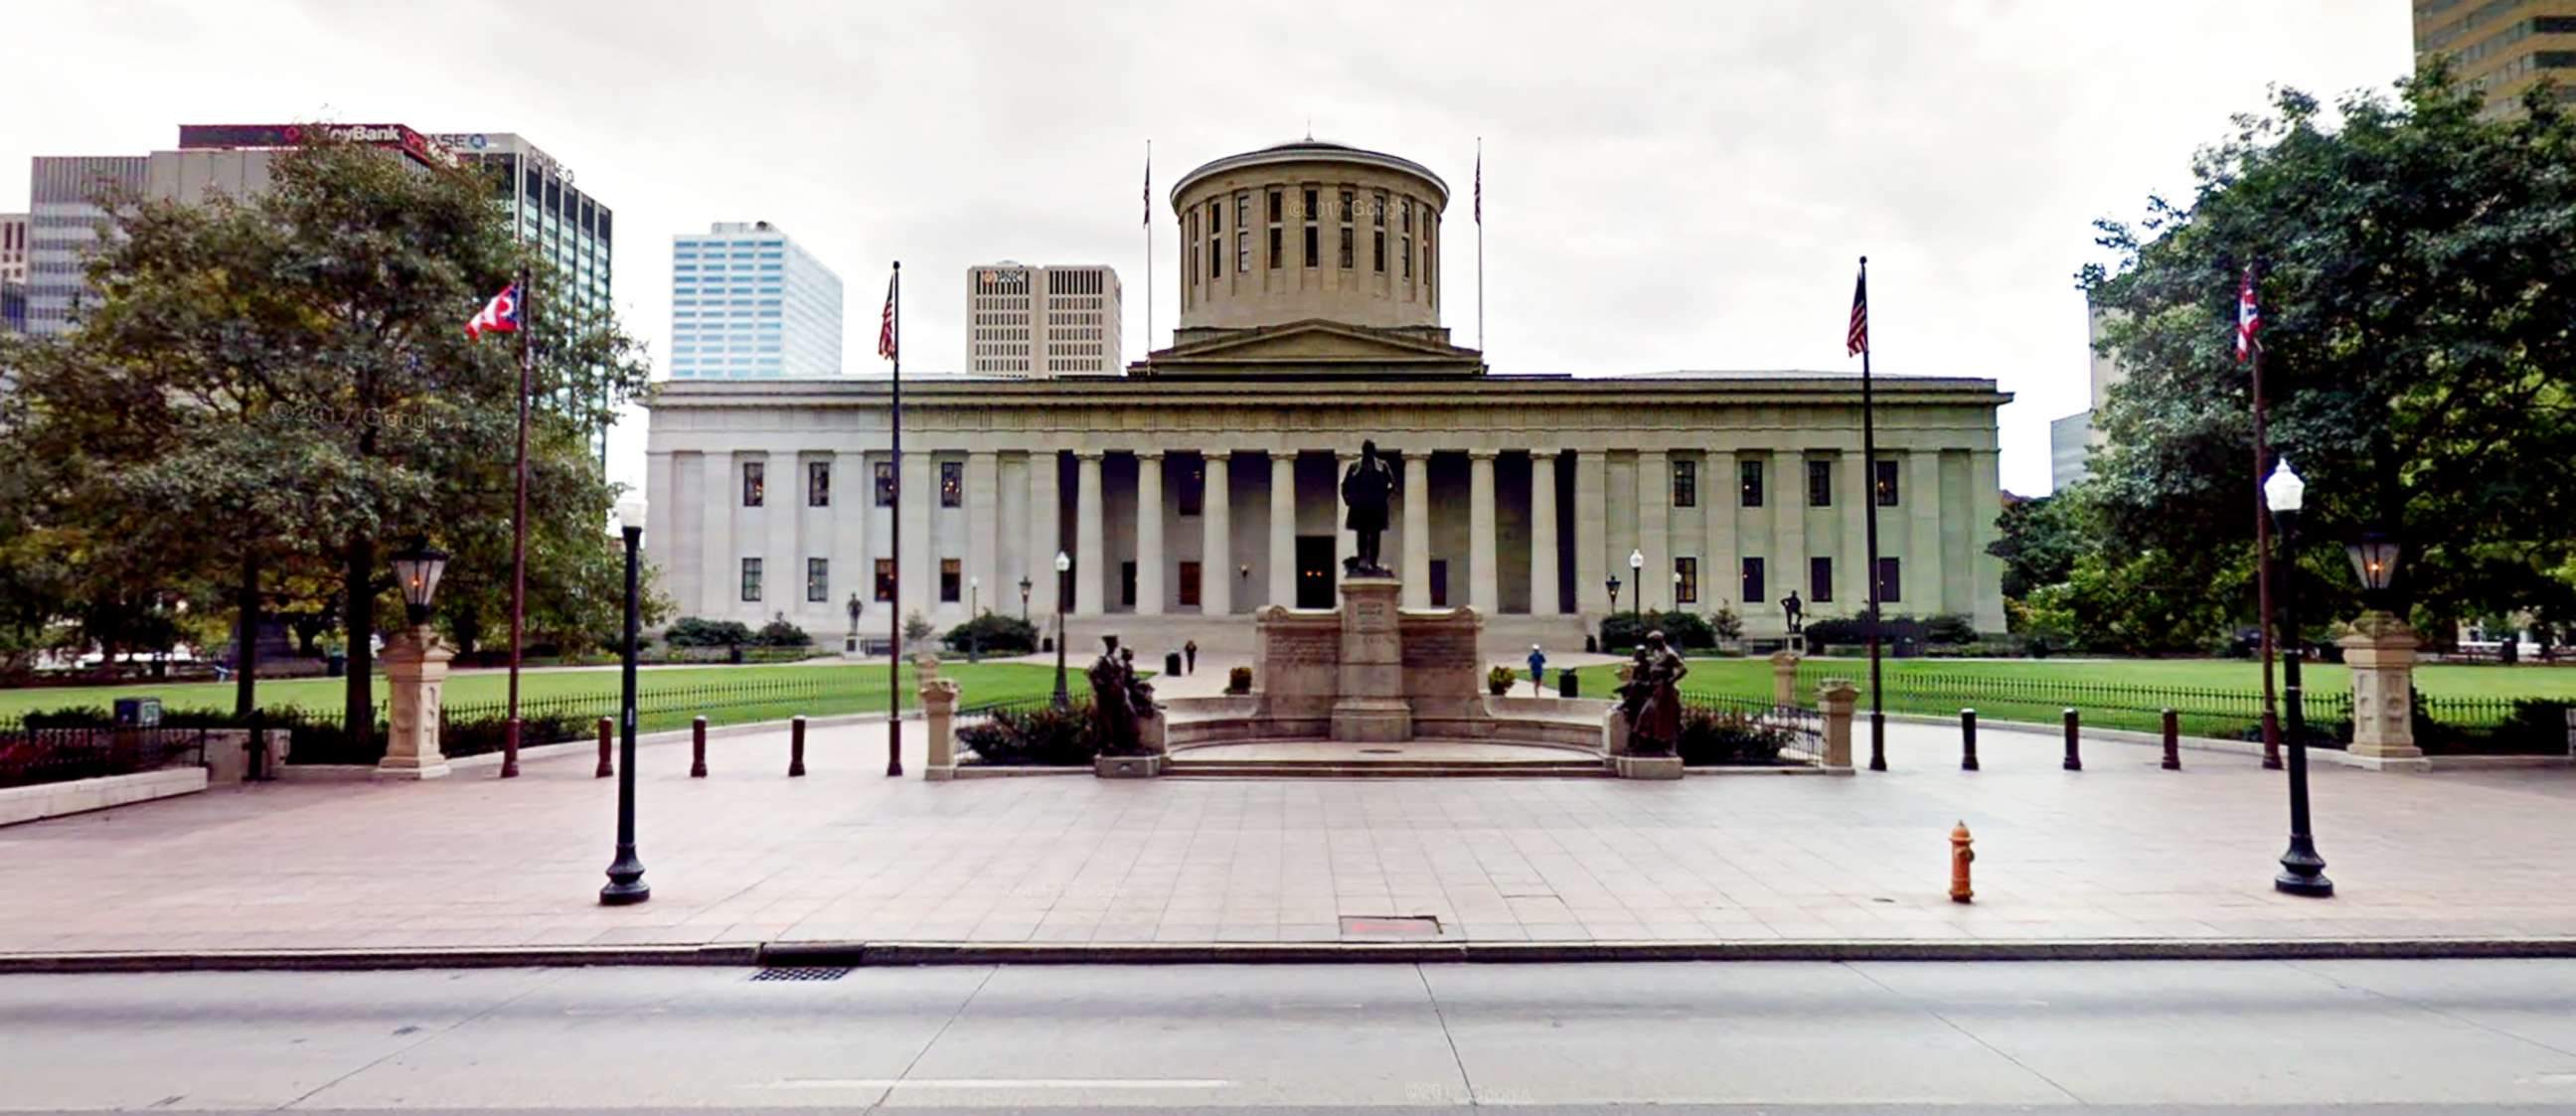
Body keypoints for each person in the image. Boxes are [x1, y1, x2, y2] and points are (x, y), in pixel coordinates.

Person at [1339, 440, 1395, 574]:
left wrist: (1384, 495)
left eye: (1369, 451)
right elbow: (1344, 485)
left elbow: (1392, 483)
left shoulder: (1383, 465)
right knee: (1362, 534)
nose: (1367, 453)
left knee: (1375, 535)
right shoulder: (1354, 466)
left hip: (1376, 506)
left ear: (1373, 452)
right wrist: (1348, 500)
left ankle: (1373, 562)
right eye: (1365, 450)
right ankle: (1363, 560)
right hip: (1360, 506)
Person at [1633, 630, 1690, 755]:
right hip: (1655, 689)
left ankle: (1669, 747)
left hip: (1665, 691)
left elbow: (1683, 669)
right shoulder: (1656, 652)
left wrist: (1671, 680)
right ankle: (1644, 745)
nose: (1650, 645)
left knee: (1666, 719)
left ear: (1659, 641)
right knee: (1645, 715)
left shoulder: (1670, 654)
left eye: (1652, 642)